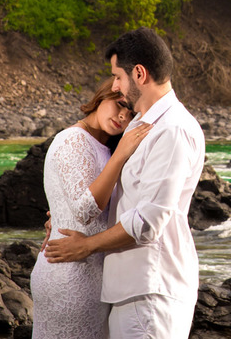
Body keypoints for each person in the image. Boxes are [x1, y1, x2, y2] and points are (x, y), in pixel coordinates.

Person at [44, 27, 206, 339]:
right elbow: (123, 197)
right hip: (131, 288)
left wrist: (86, 245)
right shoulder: (144, 126)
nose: (115, 86)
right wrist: (62, 216)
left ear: (140, 74)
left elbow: (148, 221)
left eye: (118, 76)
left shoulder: (171, 130)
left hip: (150, 290)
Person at [29, 79, 151, 339]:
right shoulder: (73, 140)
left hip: (91, 272)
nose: (123, 116)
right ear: (102, 97)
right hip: (69, 273)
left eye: (131, 114)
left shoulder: (103, 146)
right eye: (120, 105)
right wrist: (121, 155)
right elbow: (85, 210)